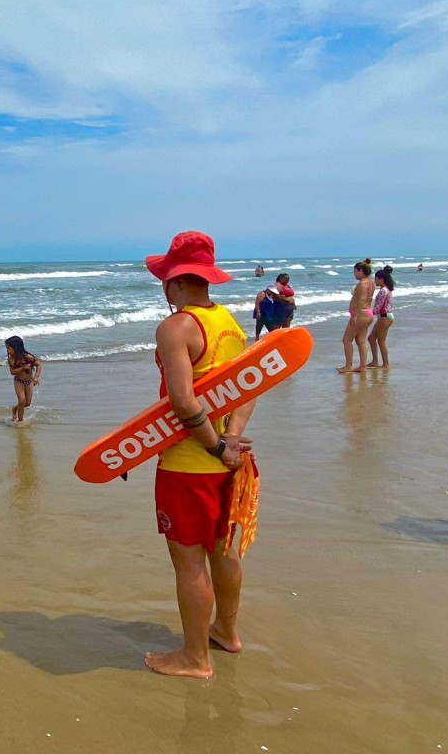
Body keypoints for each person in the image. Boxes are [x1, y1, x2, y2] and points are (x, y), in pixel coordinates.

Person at [144, 230, 256, 679]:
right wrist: (231, 441)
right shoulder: (229, 323)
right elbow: (250, 386)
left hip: (188, 466)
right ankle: (226, 632)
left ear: (174, 281)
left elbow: (183, 402)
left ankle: (195, 658)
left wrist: (213, 445)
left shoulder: (175, 327)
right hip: (231, 462)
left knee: (188, 561)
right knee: (224, 552)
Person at [337, 259, 375, 373]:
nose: (354, 274)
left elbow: (362, 299)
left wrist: (355, 315)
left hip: (361, 314)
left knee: (347, 340)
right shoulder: (371, 283)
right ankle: (363, 366)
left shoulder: (362, 284)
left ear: (361, 271)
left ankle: (349, 365)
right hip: (368, 312)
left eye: (355, 271)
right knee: (361, 340)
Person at [5, 335, 42, 424]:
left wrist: (36, 377)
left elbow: (39, 365)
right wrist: (23, 368)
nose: (7, 350)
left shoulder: (28, 357)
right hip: (18, 381)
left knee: (27, 403)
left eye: (9, 348)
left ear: (16, 348)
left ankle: (15, 408)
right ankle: (20, 421)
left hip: (29, 382)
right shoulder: (11, 360)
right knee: (22, 401)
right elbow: (12, 372)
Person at [251, 274, 295, 339]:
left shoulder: (286, 285)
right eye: (286, 279)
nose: (287, 280)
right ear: (280, 279)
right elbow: (274, 296)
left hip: (289, 308)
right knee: (276, 325)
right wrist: (284, 300)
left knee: (286, 323)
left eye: (288, 279)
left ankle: (283, 337)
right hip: (281, 307)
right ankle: (274, 337)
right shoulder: (275, 286)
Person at [367, 266, 395, 368]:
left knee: (380, 340)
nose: (375, 281)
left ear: (382, 279)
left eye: (376, 279)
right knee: (372, 338)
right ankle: (376, 361)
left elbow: (378, 307)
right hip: (385, 316)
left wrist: (367, 314)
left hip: (385, 316)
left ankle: (385, 363)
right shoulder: (386, 289)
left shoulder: (383, 291)